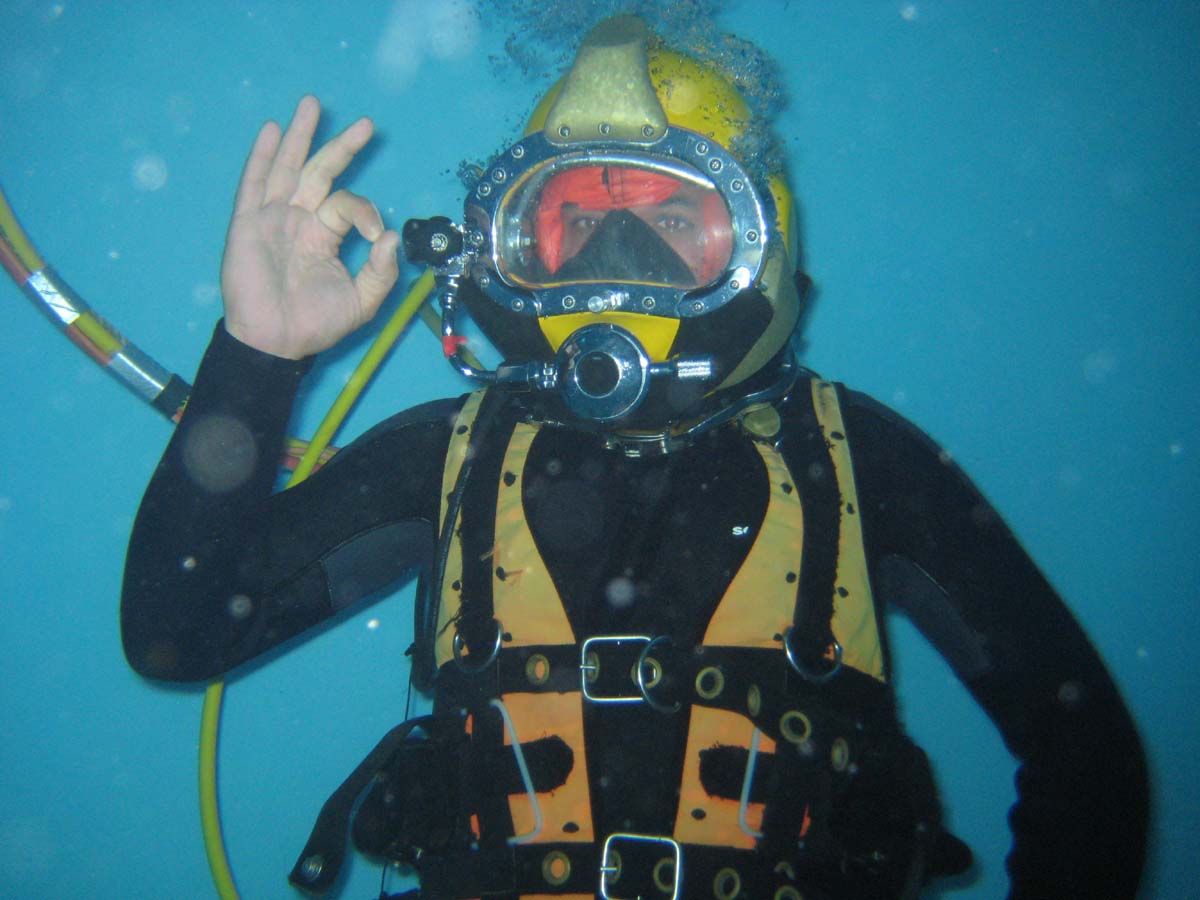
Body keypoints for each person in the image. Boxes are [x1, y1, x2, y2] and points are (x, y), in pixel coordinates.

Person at [121, 16, 1148, 900]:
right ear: (510, 250)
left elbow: (1086, 754)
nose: (620, 261)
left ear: (758, 243)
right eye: (577, 223)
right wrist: (257, 355)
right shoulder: (453, 453)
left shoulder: (853, 459)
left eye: (672, 221)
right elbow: (178, 631)